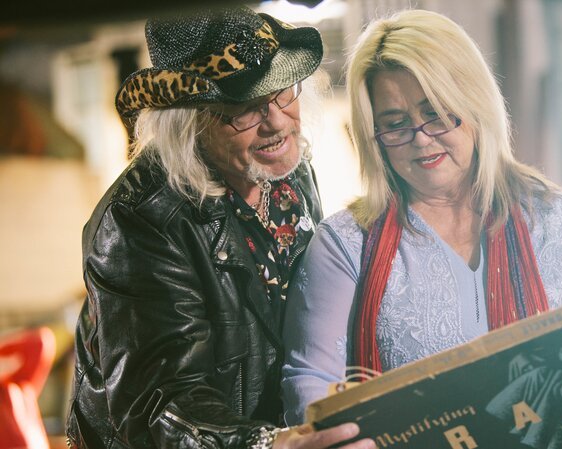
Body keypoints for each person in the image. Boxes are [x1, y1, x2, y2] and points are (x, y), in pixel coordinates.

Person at [281, 10, 562, 449]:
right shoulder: (346, 244)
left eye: (435, 114)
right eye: (395, 124)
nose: (420, 138)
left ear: (473, 102)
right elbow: (312, 382)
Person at [67, 7, 374, 449]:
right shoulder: (138, 220)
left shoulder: (285, 169)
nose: (278, 122)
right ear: (189, 122)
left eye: (282, 92)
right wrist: (269, 444)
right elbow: (161, 406)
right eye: (245, 109)